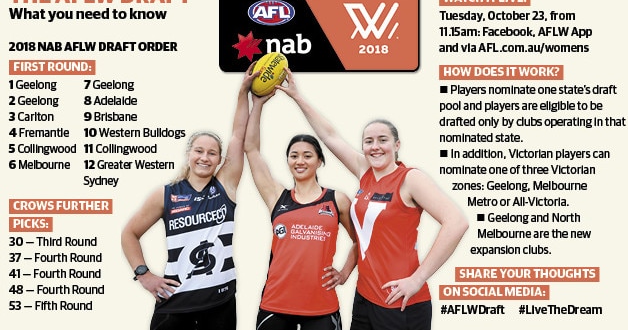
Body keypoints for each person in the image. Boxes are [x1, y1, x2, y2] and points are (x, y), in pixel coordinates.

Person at [276, 69, 469, 330]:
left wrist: (418, 278)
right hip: (365, 296)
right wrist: (297, 96)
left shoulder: (410, 178)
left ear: (397, 144)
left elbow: (457, 222)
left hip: (400, 300)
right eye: (368, 141)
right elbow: (330, 136)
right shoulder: (365, 173)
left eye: (382, 140)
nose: (375, 146)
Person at [120, 63, 255, 330]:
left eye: (212, 153)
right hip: (176, 300)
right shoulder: (166, 194)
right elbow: (129, 234)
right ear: (189, 154)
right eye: (199, 151)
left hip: (220, 300)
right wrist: (143, 275)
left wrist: (244, 94)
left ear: (219, 160)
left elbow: (238, 136)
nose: (204, 157)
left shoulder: (225, 186)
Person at [245, 91, 357, 330]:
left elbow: (362, 241)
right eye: (294, 156)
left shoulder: (337, 200)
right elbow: (251, 149)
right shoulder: (277, 196)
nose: (300, 161)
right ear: (287, 161)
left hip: (321, 307)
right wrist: (257, 104)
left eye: (308, 155)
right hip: (276, 304)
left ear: (319, 161)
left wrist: (345, 273)